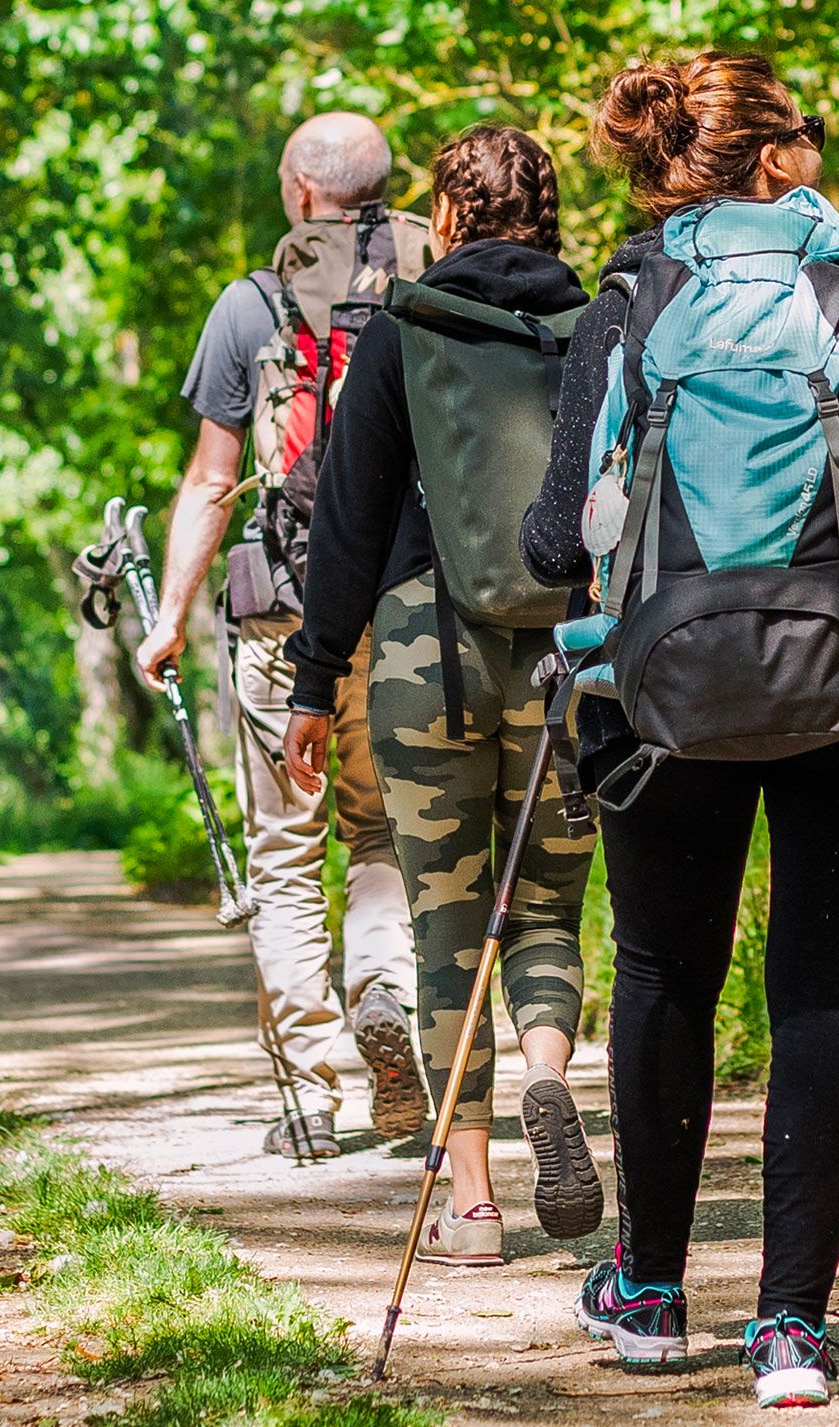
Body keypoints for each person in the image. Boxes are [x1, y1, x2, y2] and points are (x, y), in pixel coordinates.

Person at [521, 53, 839, 1405]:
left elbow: (558, 535)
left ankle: (653, 1295)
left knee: (667, 962)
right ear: (783, 155)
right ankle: (790, 1329)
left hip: (663, 695)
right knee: (829, 981)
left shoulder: (631, 300)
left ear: (658, 163)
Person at [279, 126, 602, 1265]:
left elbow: (348, 523)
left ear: (447, 218)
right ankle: (551, 1074)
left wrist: (315, 681)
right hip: (569, 662)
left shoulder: (401, 332)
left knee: (445, 929)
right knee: (550, 911)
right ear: (551, 214)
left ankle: (470, 1203)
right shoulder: (598, 329)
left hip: (425, 660)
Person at [138, 113, 436, 1159]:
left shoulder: (250, 304)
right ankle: (386, 994)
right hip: (403, 614)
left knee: (282, 851)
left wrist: (168, 616)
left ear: (304, 194)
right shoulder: (428, 279)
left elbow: (214, 479)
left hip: (279, 615)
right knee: (383, 836)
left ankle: (309, 1093)